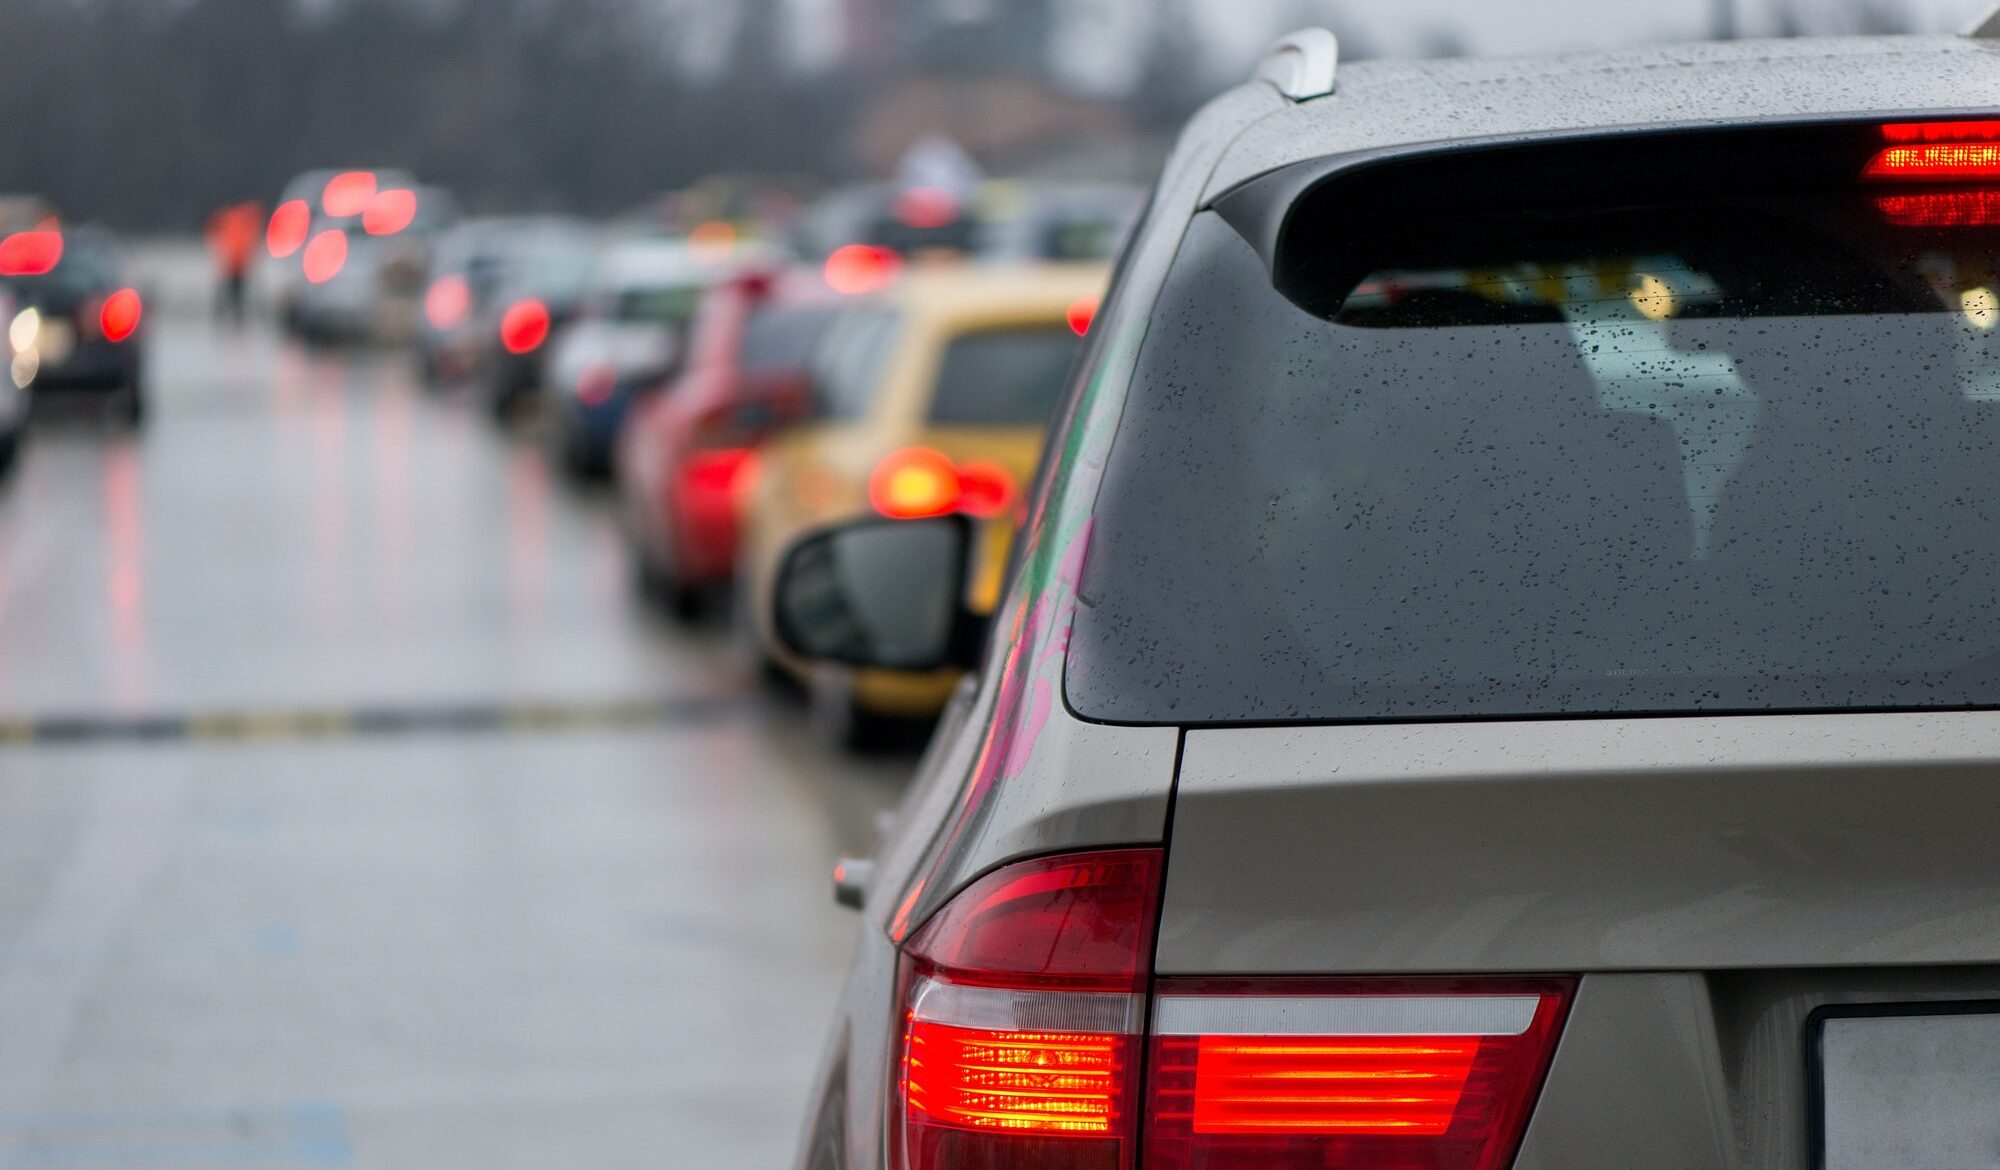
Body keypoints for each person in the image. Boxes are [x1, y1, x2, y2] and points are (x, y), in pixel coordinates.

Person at [204, 201, 263, 325]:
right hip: (235, 264)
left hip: (234, 264)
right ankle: (230, 316)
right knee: (234, 293)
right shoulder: (240, 222)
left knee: (232, 292)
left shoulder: (228, 220)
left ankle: (226, 316)